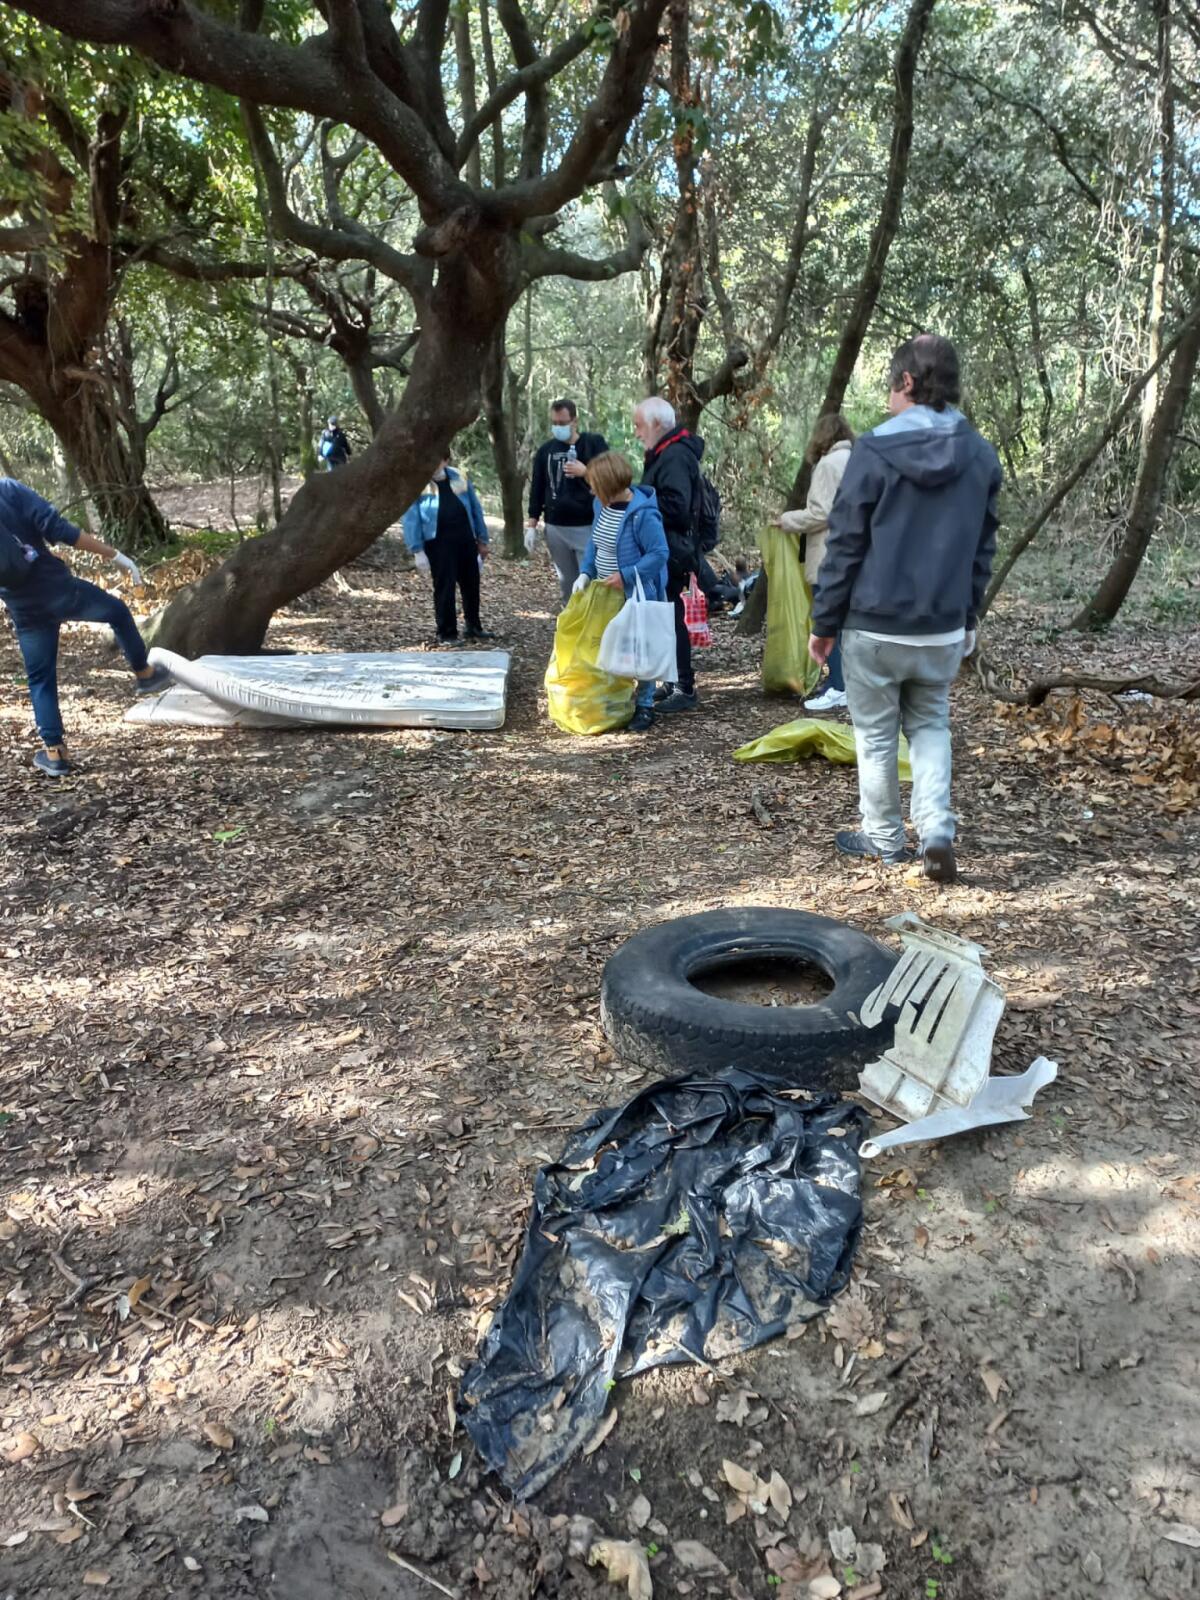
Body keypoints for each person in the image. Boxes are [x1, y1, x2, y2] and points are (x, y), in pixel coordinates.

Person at [809, 334, 1002, 883]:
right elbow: (981, 549)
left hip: (875, 623)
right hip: (941, 625)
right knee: (930, 725)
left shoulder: (874, 449)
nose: (888, 395)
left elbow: (845, 543)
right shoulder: (980, 453)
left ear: (907, 383)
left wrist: (824, 622)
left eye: (891, 383)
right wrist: (969, 617)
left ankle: (885, 838)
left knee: (875, 734)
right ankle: (937, 835)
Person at [0, 479, 171, 776]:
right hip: (58, 590)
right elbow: (60, 530)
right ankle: (145, 674)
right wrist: (116, 556)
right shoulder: (7, 489)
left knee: (40, 678)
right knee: (117, 611)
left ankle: (55, 753)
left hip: (23, 607)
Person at [572, 451, 670, 734]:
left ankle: (645, 704)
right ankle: (615, 696)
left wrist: (626, 575)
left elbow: (659, 553)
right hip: (605, 591)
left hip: (635, 594)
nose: (591, 490)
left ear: (609, 485)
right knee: (612, 645)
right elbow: (595, 542)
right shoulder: (600, 505)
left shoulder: (643, 515)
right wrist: (585, 572)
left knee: (640, 648)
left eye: (594, 485)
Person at [775, 413, 855, 712]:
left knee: (830, 623)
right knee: (848, 624)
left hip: (829, 555)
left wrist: (787, 520)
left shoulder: (828, 465)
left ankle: (838, 686)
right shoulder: (858, 461)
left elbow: (821, 513)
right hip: (857, 555)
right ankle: (846, 683)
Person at [634, 397, 704, 713]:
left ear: (658, 425)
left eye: (639, 425)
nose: (636, 433)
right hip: (668, 545)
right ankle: (673, 682)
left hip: (673, 548)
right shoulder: (665, 453)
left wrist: (640, 501)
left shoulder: (674, 456)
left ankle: (684, 688)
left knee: (672, 618)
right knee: (666, 616)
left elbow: (676, 506)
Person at [401, 455, 493, 646]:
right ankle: (446, 633)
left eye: (437, 460)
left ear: (445, 460)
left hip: (465, 538)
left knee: (471, 584)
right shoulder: (418, 483)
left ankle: (473, 626)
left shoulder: (459, 477)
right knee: (445, 587)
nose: (432, 465)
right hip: (438, 543)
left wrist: (482, 539)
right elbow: (411, 517)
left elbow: (475, 507)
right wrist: (417, 549)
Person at [525, 399, 609, 603]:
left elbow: (611, 477)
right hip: (555, 526)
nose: (558, 427)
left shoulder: (593, 444)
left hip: (587, 525)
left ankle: (592, 630)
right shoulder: (546, 451)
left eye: (562, 423)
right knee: (568, 585)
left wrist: (586, 471)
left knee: (589, 583)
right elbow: (538, 487)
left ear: (574, 421)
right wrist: (532, 525)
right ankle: (570, 628)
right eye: (554, 423)